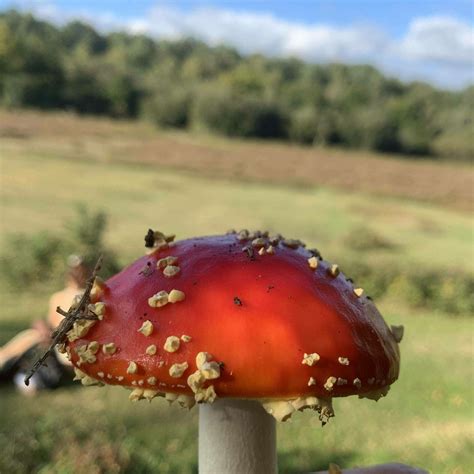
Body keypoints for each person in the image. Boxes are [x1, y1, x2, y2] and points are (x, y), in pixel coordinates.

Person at [0, 255, 90, 394]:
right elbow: (50, 321)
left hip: (68, 346)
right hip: (51, 338)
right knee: (30, 337)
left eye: (80, 271)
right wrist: (41, 326)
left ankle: (20, 373)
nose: (77, 275)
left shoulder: (92, 297)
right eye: (74, 271)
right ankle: (6, 363)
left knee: (34, 342)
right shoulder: (58, 296)